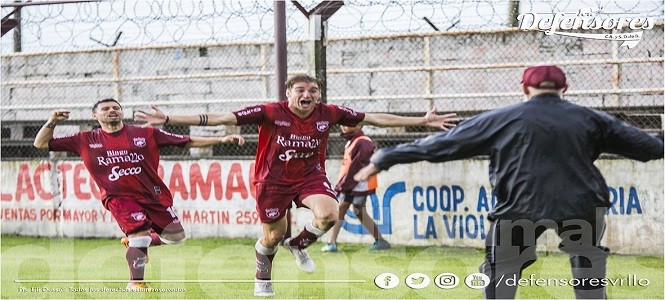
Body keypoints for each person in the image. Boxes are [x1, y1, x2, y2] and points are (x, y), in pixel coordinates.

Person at [134, 73, 459, 297]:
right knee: (272, 236)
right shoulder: (269, 112)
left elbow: (373, 117)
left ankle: (300, 244)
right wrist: (169, 119)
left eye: (313, 91)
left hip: (309, 176)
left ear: (319, 94)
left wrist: (421, 120)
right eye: (301, 91)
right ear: (288, 94)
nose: (307, 95)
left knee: (331, 214)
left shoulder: (329, 112)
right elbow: (221, 118)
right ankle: (263, 276)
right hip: (271, 181)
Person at [354, 65, 664, 299]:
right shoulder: (593, 119)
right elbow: (652, 147)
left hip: (520, 207)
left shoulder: (501, 119)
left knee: (500, 272)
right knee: (588, 273)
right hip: (582, 205)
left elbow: (440, 146)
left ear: (525, 90)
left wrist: (384, 158)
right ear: (564, 88)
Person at [33, 98, 245, 291]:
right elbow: (41, 143)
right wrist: (52, 121)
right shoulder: (85, 139)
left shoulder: (147, 133)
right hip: (118, 197)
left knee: (176, 237)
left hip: (153, 195)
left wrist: (222, 140)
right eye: (105, 109)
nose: (112, 111)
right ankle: (136, 282)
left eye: (116, 108)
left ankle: (134, 243)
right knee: (140, 234)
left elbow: (186, 140)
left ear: (122, 113)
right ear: (94, 116)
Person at [320, 124, 390, 252]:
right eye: (342, 124)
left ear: (359, 125)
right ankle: (381, 240)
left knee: (341, 209)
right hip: (355, 184)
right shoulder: (355, 141)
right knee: (358, 211)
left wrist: (344, 185)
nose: (343, 126)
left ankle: (331, 243)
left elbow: (357, 167)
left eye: (346, 124)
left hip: (356, 184)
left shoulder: (362, 142)